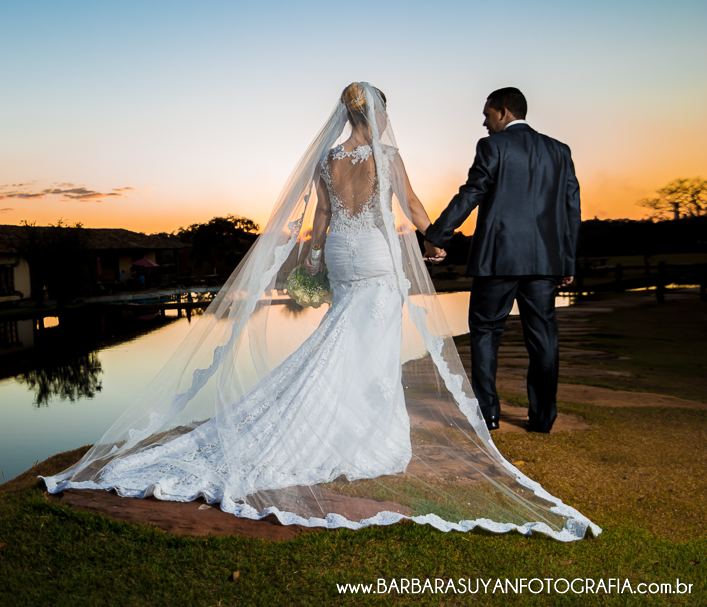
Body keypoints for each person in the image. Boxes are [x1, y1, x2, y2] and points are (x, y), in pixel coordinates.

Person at [44, 83, 598, 541]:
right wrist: (435, 239)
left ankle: (353, 416)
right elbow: (411, 206)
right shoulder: (390, 157)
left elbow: (323, 218)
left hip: (341, 253)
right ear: (376, 114)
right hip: (378, 255)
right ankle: (365, 432)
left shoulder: (328, 159)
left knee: (342, 333)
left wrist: (311, 258)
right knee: (371, 344)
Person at [424, 88, 580, 434]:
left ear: (504, 112)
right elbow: (571, 208)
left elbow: (472, 193)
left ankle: (488, 414)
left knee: (485, 331)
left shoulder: (492, 147)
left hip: (498, 259)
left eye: (488, 114)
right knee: (543, 337)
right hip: (545, 262)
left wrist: (437, 235)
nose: (484, 122)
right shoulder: (559, 151)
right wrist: (567, 262)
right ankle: (543, 419)